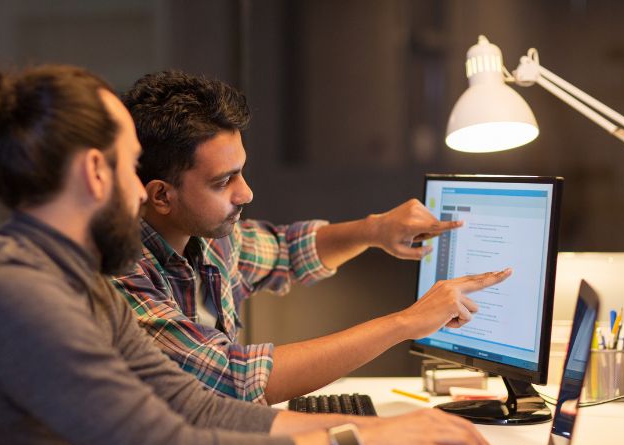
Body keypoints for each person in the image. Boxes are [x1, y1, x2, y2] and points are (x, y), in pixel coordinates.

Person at [0, 64, 501, 445]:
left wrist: (376, 433)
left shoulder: (73, 279)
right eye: (126, 164)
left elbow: (202, 410)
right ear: (99, 173)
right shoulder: (20, 296)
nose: (138, 191)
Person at [116, 70, 512, 405]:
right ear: (162, 196)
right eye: (224, 182)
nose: (246, 193)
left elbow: (288, 250)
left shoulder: (211, 238)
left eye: (241, 171)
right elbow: (230, 379)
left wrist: (375, 230)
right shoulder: (121, 275)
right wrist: (406, 322)